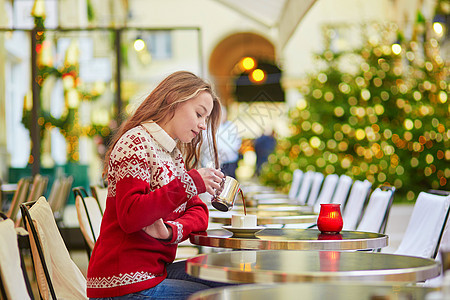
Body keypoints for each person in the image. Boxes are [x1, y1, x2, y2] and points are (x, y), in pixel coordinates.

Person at [87, 71, 228, 299]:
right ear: (174, 99)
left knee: (228, 280)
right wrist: (190, 182)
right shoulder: (135, 143)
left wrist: (170, 231)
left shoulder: (172, 154)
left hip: (153, 273)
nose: (203, 125)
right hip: (123, 284)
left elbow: (200, 213)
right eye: (199, 114)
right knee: (219, 295)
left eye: (206, 119)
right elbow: (131, 215)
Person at [201, 107, 241, 178]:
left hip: (229, 162)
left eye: (223, 115)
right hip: (211, 162)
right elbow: (204, 143)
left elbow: (236, 144)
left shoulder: (231, 126)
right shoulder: (208, 127)